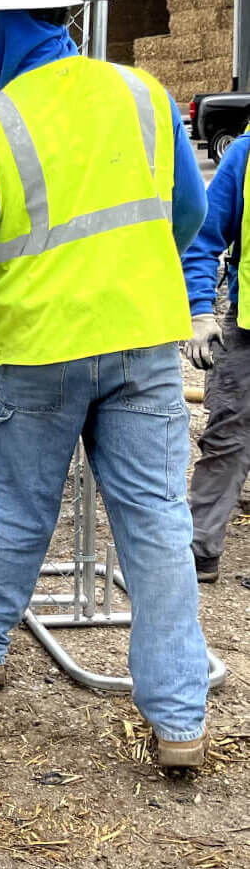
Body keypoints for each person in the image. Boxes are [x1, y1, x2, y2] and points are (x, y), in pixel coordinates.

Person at [0, 0, 212, 770]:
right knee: (154, 521)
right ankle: (179, 720)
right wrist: (137, 277)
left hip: (39, 352)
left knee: (14, 505)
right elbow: (185, 212)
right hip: (144, 339)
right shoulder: (142, 94)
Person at [180, 131, 250, 584]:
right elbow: (203, 234)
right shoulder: (246, 154)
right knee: (227, 435)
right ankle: (200, 548)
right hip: (247, 328)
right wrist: (200, 308)